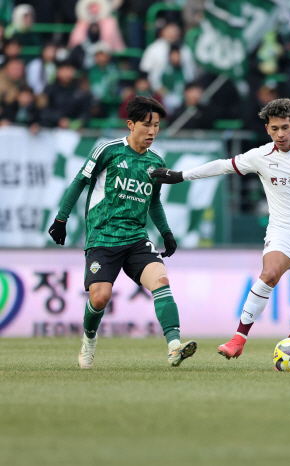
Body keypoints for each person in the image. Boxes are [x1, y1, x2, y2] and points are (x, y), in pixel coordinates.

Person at [150, 98, 290, 360]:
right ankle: (238, 338)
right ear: (267, 129)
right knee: (269, 274)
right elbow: (223, 165)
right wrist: (180, 175)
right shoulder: (260, 156)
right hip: (282, 229)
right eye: (274, 128)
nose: (280, 134)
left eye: (285, 127)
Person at [47, 96, 197, 369]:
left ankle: (174, 346)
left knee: (161, 281)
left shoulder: (156, 161)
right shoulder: (108, 150)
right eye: (146, 125)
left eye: (157, 126)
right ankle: (88, 342)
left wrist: (166, 233)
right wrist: (61, 219)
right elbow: (80, 181)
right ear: (130, 124)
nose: (152, 131)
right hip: (103, 237)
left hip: (137, 238)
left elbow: (153, 201)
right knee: (100, 297)